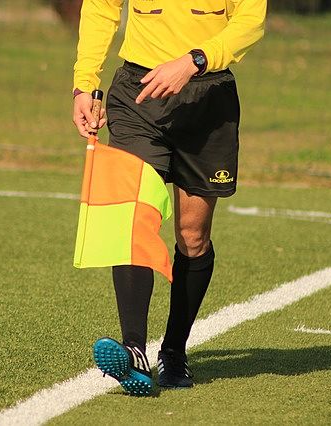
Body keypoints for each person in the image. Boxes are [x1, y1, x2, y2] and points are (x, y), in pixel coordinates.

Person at [72, 0, 267, 395]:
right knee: (132, 217)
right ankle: (134, 352)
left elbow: (250, 22)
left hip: (207, 97)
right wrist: (84, 82)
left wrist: (195, 60)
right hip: (137, 96)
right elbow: (100, 8)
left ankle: (174, 351)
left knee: (192, 237)